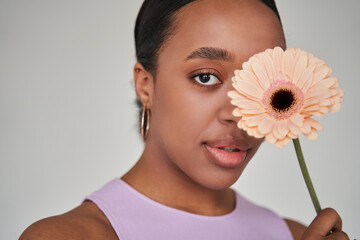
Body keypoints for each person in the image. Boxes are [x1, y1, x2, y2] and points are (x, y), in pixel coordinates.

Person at [19, 0, 349, 239]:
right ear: (145, 85)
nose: (238, 114)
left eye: (261, 84)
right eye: (206, 77)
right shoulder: (65, 235)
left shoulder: (296, 235)